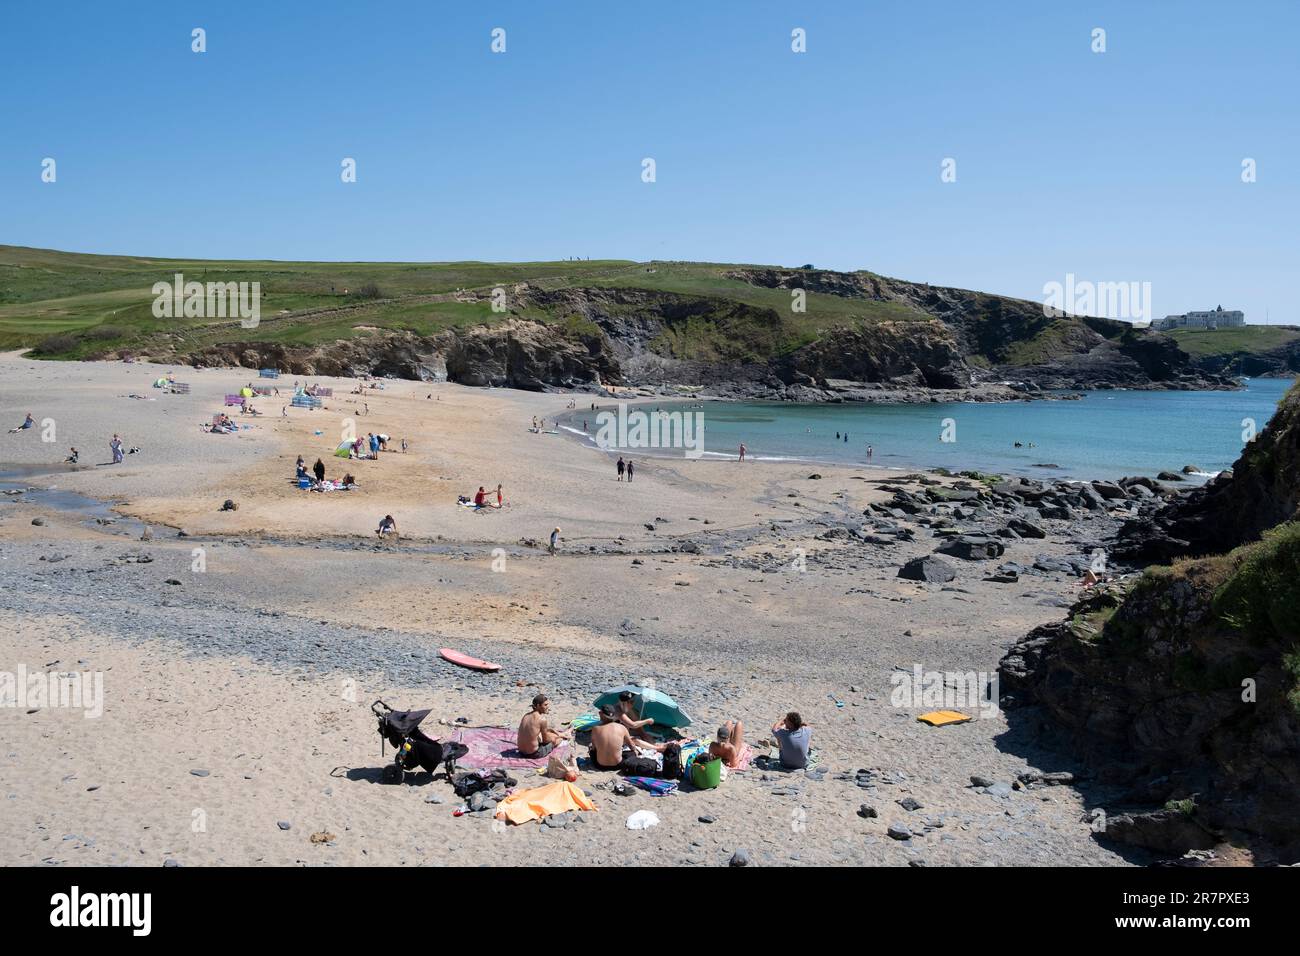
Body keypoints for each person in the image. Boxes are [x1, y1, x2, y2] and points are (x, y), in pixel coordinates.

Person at [588, 705, 638, 770]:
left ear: (600, 713)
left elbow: (594, 749)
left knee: (591, 749)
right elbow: (632, 746)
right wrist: (635, 752)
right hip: (618, 765)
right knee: (632, 753)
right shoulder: (622, 727)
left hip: (600, 765)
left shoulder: (595, 729)